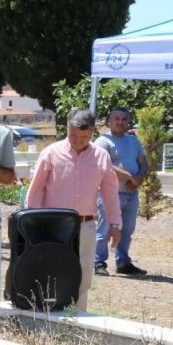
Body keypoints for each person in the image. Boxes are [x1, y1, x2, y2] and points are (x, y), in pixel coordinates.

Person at [23, 108, 120, 312]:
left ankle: (78, 318)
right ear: (67, 127)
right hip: (53, 226)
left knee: (83, 276)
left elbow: (110, 192)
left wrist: (115, 224)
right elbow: (36, 190)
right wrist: (30, 223)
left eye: (83, 137)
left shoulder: (101, 156)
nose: (77, 141)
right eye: (72, 135)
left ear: (92, 131)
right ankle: (48, 316)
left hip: (85, 225)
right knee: (52, 271)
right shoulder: (51, 153)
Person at [95, 107, 148, 276]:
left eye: (124, 119)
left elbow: (143, 161)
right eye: (117, 118)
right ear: (109, 121)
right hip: (110, 193)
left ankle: (123, 262)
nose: (120, 122)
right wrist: (131, 177)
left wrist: (139, 179)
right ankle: (98, 262)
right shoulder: (103, 141)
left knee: (127, 231)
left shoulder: (133, 140)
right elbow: (104, 166)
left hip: (131, 193)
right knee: (105, 229)